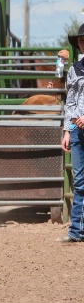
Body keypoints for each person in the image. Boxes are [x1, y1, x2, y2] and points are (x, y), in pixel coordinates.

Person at [59, 24, 84, 242]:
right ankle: (76, 231)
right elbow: (70, 102)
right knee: (80, 181)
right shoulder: (74, 70)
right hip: (77, 130)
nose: (83, 43)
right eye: (81, 40)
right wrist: (67, 130)